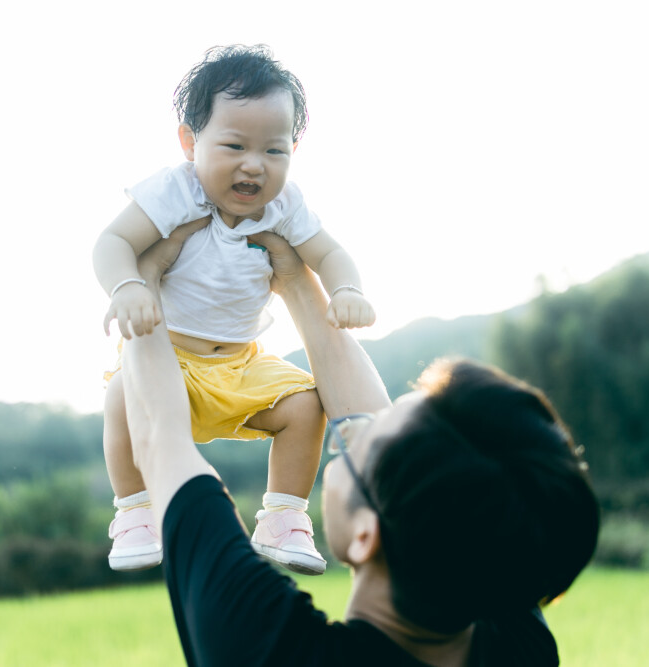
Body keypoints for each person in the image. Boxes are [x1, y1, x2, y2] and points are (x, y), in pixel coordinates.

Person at [118, 231, 601, 666]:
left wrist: (141, 280)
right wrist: (293, 277)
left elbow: (161, 438)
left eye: (357, 446)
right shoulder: (514, 627)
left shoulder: (264, 644)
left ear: (368, 534)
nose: (348, 428)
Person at [92, 45, 375, 575]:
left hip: (242, 365)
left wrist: (346, 290)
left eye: (275, 150)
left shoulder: (285, 207)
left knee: (305, 404)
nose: (254, 164)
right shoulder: (174, 192)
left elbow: (330, 253)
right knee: (119, 395)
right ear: (189, 140)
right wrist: (128, 286)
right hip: (168, 360)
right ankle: (134, 512)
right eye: (234, 145)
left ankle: (284, 517)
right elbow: (111, 242)